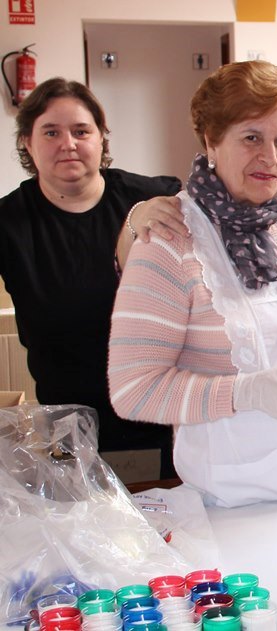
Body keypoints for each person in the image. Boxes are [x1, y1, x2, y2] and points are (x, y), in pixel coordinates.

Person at [108, 61, 277, 507]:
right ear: (212, 142)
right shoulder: (170, 243)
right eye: (251, 137)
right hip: (230, 505)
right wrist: (244, 393)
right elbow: (133, 389)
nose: (269, 157)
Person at [0, 77, 186, 478]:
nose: (68, 143)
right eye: (51, 132)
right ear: (27, 144)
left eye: (81, 131)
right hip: (67, 426)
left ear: (102, 139)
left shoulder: (153, 199)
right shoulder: (9, 222)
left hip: (159, 415)